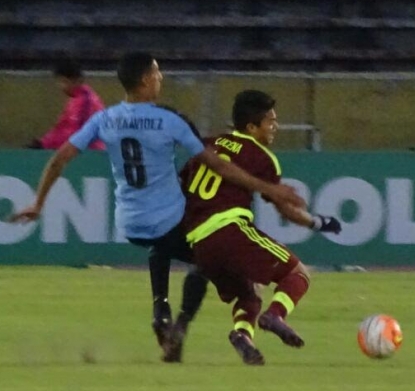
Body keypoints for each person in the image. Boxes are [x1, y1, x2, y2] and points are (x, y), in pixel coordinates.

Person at [9, 53, 304, 362]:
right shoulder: (168, 120)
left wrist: (39, 202)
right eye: (158, 73)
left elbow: (60, 158)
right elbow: (217, 164)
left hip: (131, 223)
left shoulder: (103, 118)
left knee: (161, 245)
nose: (162, 78)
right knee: (209, 256)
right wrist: (270, 188)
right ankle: (181, 324)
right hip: (172, 218)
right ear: (146, 80)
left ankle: (160, 309)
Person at [178, 89, 341, 365]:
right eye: (270, 122)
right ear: (252, 127)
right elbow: (285, 209)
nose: (275, 127)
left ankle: (242, 335)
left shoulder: (207, 144)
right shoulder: (261, 157)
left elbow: (181, 186)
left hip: (200, 245)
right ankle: (275, 315)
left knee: (250, 291)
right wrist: (319, 222)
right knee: (297, 274)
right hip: (229, 229)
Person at [27, 55, 106, 151]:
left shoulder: (86, 102)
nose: (61, 86)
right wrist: (43, 142)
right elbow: (61, 126)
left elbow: (79, 134)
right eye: (60, 82)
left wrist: (48, 145)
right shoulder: (75, 100)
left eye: (64, 82)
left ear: (77, 81)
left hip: (89, 154)